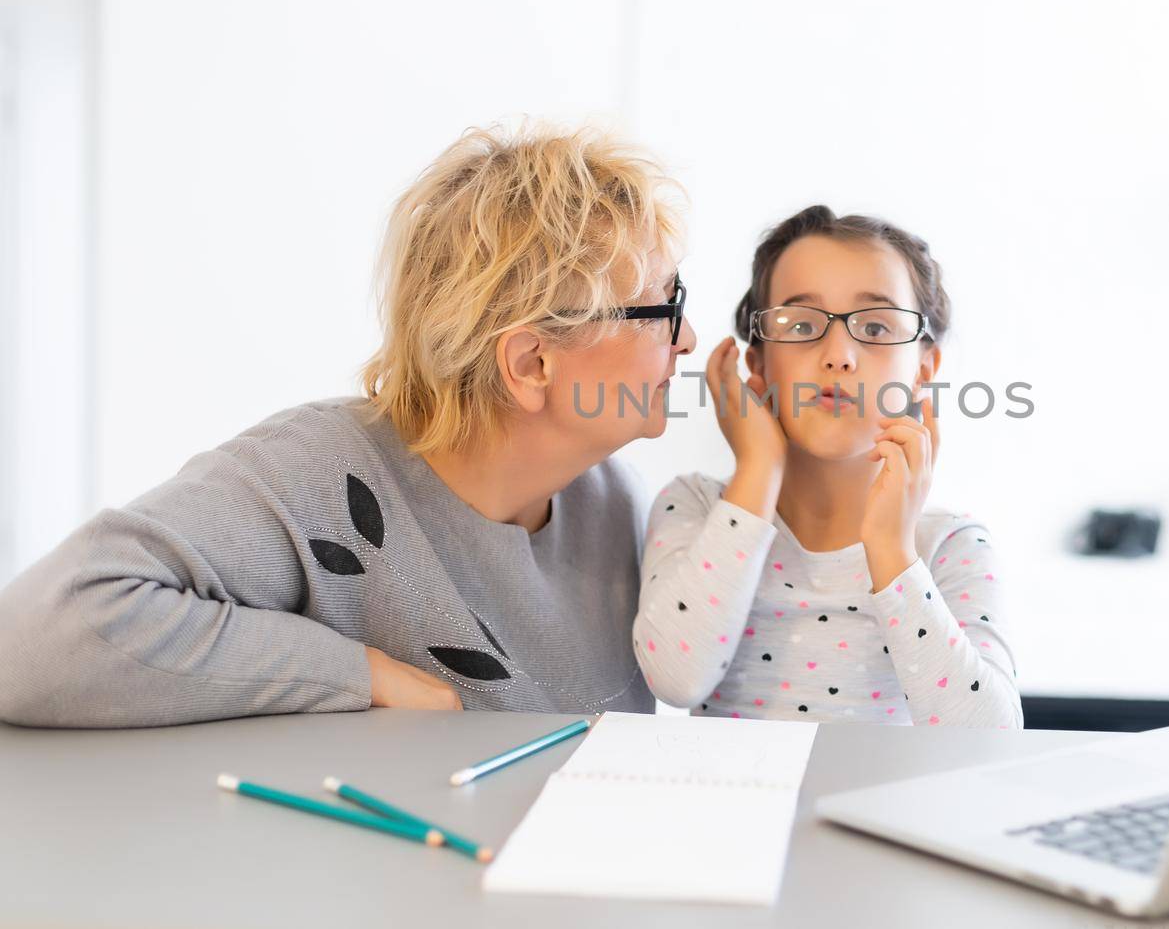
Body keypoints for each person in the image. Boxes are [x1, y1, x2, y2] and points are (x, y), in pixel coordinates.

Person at [0, 123, 697, 727]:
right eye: (662, 308)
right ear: (532, 363)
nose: (688, 337)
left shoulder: (612, 502)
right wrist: (363, 675)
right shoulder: (313, 474)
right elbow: (34, 638)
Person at [633, 205, 1022, 727]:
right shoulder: (698, 508)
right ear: (758, 364)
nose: (838, 354)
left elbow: (987, 736)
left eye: (877, 327)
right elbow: (677, 679)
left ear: (924, 369)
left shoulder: (951, 545)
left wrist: (890, 548)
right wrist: (758, 471)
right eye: (800, 324)